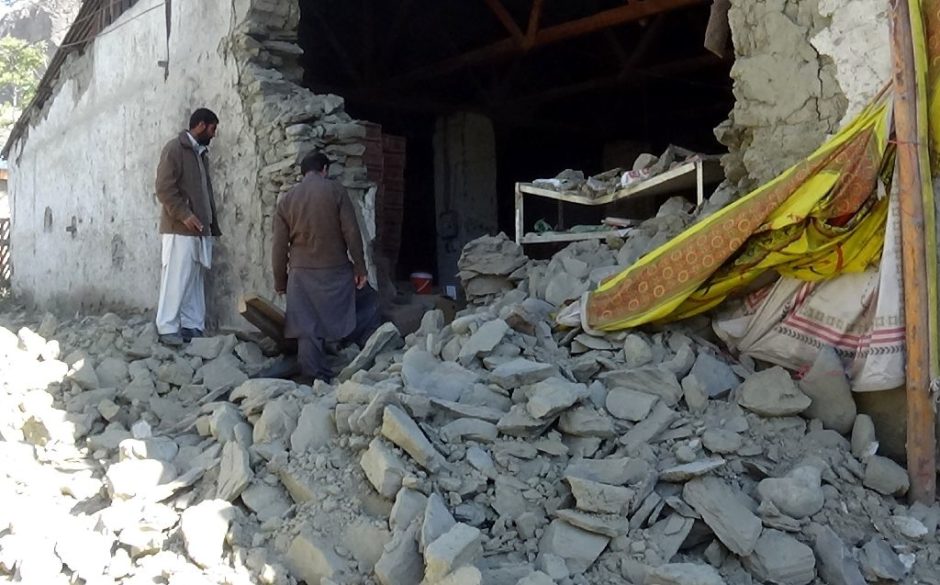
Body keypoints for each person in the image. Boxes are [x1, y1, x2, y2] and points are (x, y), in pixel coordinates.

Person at [272, 151, 378, 382]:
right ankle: (364, 353)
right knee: (368, 300)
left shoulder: (287, 200)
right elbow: (351, 232)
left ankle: (313, 375)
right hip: (336, 269)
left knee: (306, 326)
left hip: (300, 275)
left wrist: (281, 281)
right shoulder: (336, 191)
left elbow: (279, 248)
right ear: (325, 170)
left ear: (303, 173)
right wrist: (360, 268)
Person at [154, 108, 221, 346]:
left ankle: (193, 326)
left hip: (199, 229)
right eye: (213, 129)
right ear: (201, 125)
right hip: (178, 228)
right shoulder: (174, 149)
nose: (214, 135)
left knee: (193, 279)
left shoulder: (200, 154)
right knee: (175, 277)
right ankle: (167, 327)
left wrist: (210, 225)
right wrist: (185, 215)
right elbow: (164, 188)